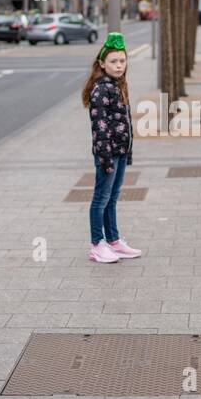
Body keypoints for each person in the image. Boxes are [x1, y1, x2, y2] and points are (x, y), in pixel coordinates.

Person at [84, 32, 142, 263]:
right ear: (102, 64)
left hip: (119, 151)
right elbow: (100, 127)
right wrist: (106, 158)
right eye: (113, 62)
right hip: (107, 155)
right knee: (101, 197)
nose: (119, 66)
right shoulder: (101, 89)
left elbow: (124, 123)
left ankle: (114, 240)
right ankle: (97, 244)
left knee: (112, 197)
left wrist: (127, 153)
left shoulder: (118, 85)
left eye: (122, 61)